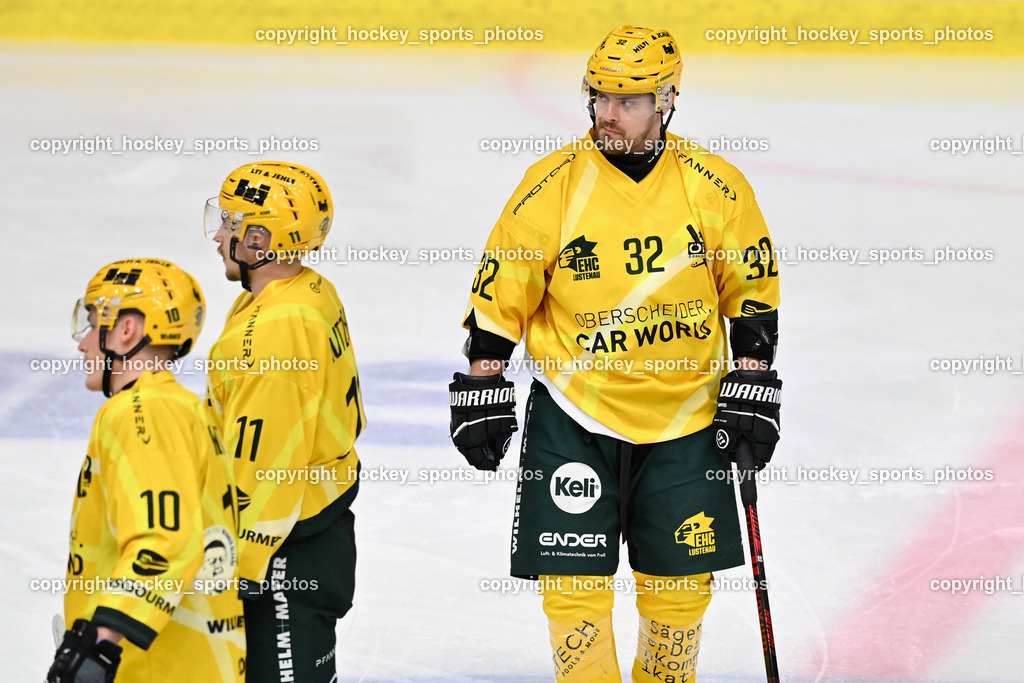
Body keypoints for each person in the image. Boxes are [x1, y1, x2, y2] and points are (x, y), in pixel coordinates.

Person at [449, 26, 783, 682]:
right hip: (575, 417)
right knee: (572, 590)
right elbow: (503, 286)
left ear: (666, 100)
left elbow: (753, 289)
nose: (606, 113)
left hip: (686, 419)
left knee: (679, 592)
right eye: (598, 96)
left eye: (625, 101)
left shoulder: (716, 185)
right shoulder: (551, 186)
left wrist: (754, 376)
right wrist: (482, 377)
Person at [204, 161, 365, 682]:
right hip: (315, 521)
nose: (217, 235)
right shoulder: (305, 290)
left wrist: (232, 570)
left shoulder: (273, 333)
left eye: (229, 224)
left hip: (284, 548)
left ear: (259, 238)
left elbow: (267, 468)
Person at [50, 258, 245, 682]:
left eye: (92, 324)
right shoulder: (182, 407)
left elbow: (163, 540)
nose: (83, 344)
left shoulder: (140, 411)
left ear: (126, 330)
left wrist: (98, 645)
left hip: (156, 669)